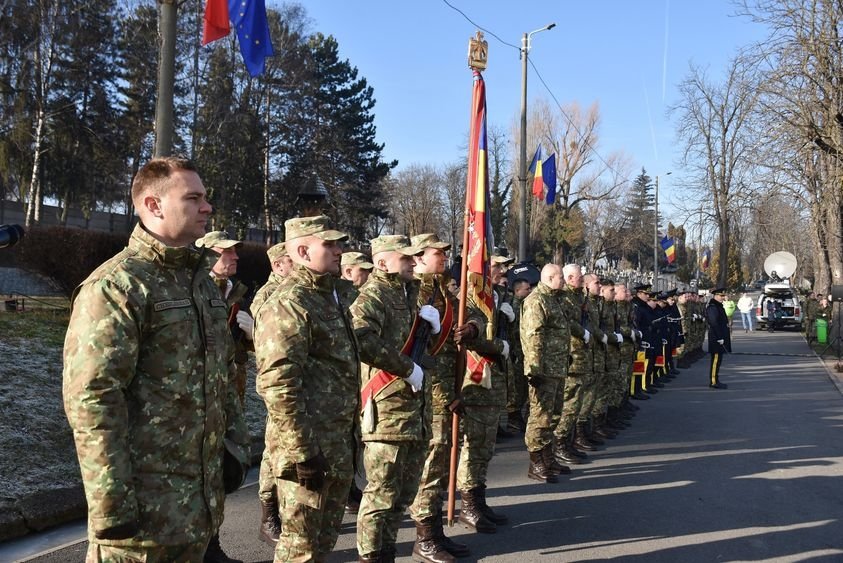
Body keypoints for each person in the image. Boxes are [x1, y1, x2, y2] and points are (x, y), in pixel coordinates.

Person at [63, 156, 249, 562]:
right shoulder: (117, 285)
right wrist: (111, 505)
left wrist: (233, 446)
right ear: (153, 205)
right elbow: (93, 399)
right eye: (194, 198)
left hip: (196, 510)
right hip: (142, 525)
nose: (207, 207)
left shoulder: (199, 281)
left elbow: (221, 373)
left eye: (205, 198)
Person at [253, 215, 361, 562]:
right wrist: (303, 452)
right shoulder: (290, 302)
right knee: (299, 549)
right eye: (328, 244)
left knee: (323, 543)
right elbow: (278, 384)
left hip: (337, 443)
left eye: (338, 243)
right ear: (302, 250)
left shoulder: (332, 297)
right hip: (308, 450)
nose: (339, 250)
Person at [351, 235, 435, 562]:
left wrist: (433, 330)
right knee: (380, 497)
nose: (414, 262)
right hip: (386, 413)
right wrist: (405, 367)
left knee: (403, 495)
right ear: (383, 262)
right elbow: (361, 338)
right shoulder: (372, 296)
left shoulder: (406, 294)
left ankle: (386, 552)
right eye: (406, 258)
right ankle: (370, 556)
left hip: (412, 412)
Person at [408, 233, 480, 562]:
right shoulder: (419, 293)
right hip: (434, 394)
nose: (444, 258)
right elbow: (422, 353)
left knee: (439, 465)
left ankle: (435, 530)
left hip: (449, 386)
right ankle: (424, 536)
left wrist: (471, 330)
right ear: (420, 257)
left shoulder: (442, 290)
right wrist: (443, 396)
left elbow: (460, 326)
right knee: (432, 464)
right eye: (438, 253)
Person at [456, 254, 512, 534]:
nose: (503, 271)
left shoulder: (498, 296)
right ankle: (468, 504)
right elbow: (466, 338)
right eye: (498, 266)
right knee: (474, 445)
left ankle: (478, 498)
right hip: (476, 380)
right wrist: (498, 346)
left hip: (495, 379)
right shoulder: (468, 295)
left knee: (486, 446)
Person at [250, 240, 292, 547]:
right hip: (276, 381)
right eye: (292, 261)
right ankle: (269, 515)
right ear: (278, 265)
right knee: (273, 450)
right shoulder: (267, 295)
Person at [520, 264, 570, 483]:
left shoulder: (553, 298)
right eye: (561, 277)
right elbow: (533, 337)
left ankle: (548, 456)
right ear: (550, 278)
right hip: (543, 370)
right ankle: (536, 461)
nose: (564, 282)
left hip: (557, 367)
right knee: (540, 417)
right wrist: (534, 370)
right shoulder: (536, 301)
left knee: (554, 414)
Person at [555, 264, 593, 465]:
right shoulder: (566, 297)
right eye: (579, 277)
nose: (582, 279)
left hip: (580, 357)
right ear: (570, 278)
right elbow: (568, 322)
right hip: (571, 357)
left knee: (576, 403)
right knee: (569, 405)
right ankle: (560, 444)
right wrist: (582, 332)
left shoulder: (578, 296)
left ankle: (569, 441)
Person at [506, 278, 533, 432]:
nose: (529, 291)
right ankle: (513, 416)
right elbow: (515, 331)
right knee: (516, 387)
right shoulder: (514, 306)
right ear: (517, 291)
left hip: (523, 352)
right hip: (516, 352)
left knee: (522, 386)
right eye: (526, 289)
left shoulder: (525, 305)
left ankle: (517, 416)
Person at [706, 287, 731, 389]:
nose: (722, 297)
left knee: (718, 360)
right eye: (721, 296)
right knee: (716, 360)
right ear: (715, 296)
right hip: (716, 338)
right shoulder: (713, 307)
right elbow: (714, 323)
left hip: (720, 337)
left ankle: (716, 379)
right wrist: (719, 337)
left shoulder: (718, 306)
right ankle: (713, 381)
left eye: (723, 296)